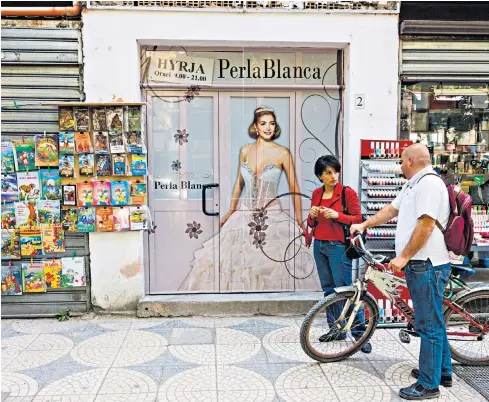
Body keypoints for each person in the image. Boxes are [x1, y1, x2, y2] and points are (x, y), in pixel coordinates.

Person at [179, 106, 319, 292]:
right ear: (256, 126)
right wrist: (231, 211)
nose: (268, 127)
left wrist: (300, 221)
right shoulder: (245, 150)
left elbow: (294, 187)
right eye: (263, 123)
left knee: (273, 263)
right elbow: (239, 183)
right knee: (233, 259)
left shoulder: (282, 153)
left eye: (272, 123)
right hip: (244, 213)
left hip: (272, 215)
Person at [351, 144, 452, 400]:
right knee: (434, 320)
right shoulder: (413, 185)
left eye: (400, 161)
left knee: (427, 324)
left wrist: (404, 256)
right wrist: (364, 224)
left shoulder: (428, 185)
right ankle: (442, 371)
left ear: (409, 161)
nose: (399, 166)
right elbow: (390, 210)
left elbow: (426, 226)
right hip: (421, 263)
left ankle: (429, 385)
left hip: (426, 263)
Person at [308, 155, 372, 353]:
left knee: (346, 291)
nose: (333, 176)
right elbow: (311, 224)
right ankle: (336, 330)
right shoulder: (317, 194)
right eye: (328, 173)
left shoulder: (347, 193)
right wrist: (311, 217)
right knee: (329, 290)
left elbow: (357, 219)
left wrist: (337, 216)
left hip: (338, 247)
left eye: (335, 171)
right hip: (320, 246)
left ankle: (360, 334)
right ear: (320, 176)